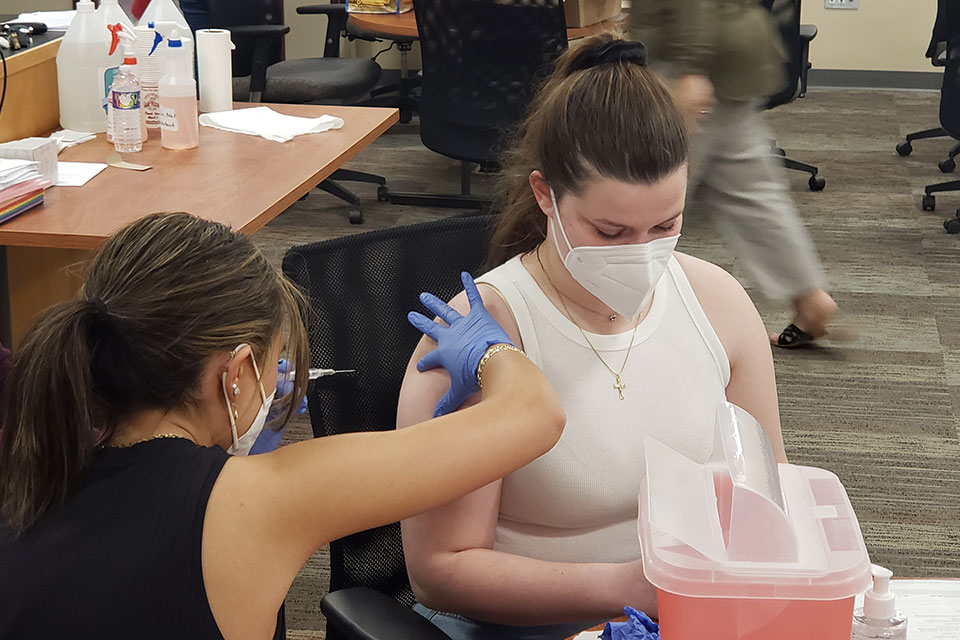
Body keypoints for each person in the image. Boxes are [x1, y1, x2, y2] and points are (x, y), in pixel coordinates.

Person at [0, 212, 565, 639]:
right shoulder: (265, 502)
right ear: (238, 373)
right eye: (274, 362)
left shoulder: (35, 451)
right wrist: (487, 347)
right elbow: (535, 416)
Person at [397, 34, 788, 640]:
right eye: (609, 231)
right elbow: (438, 570)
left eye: (666, 224)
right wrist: (632, 588)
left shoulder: (717, 303)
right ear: (544, 195)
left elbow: (770, 491)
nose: (642, 254)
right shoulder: (481, 338)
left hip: (689, 617)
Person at [629, 0, 838, 348]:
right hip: (729, 53)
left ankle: (620, 310)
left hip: (695, 59)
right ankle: (809, 299)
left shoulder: (692, 62)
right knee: (751, 189)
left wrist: (690, 68)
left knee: (652, 190)